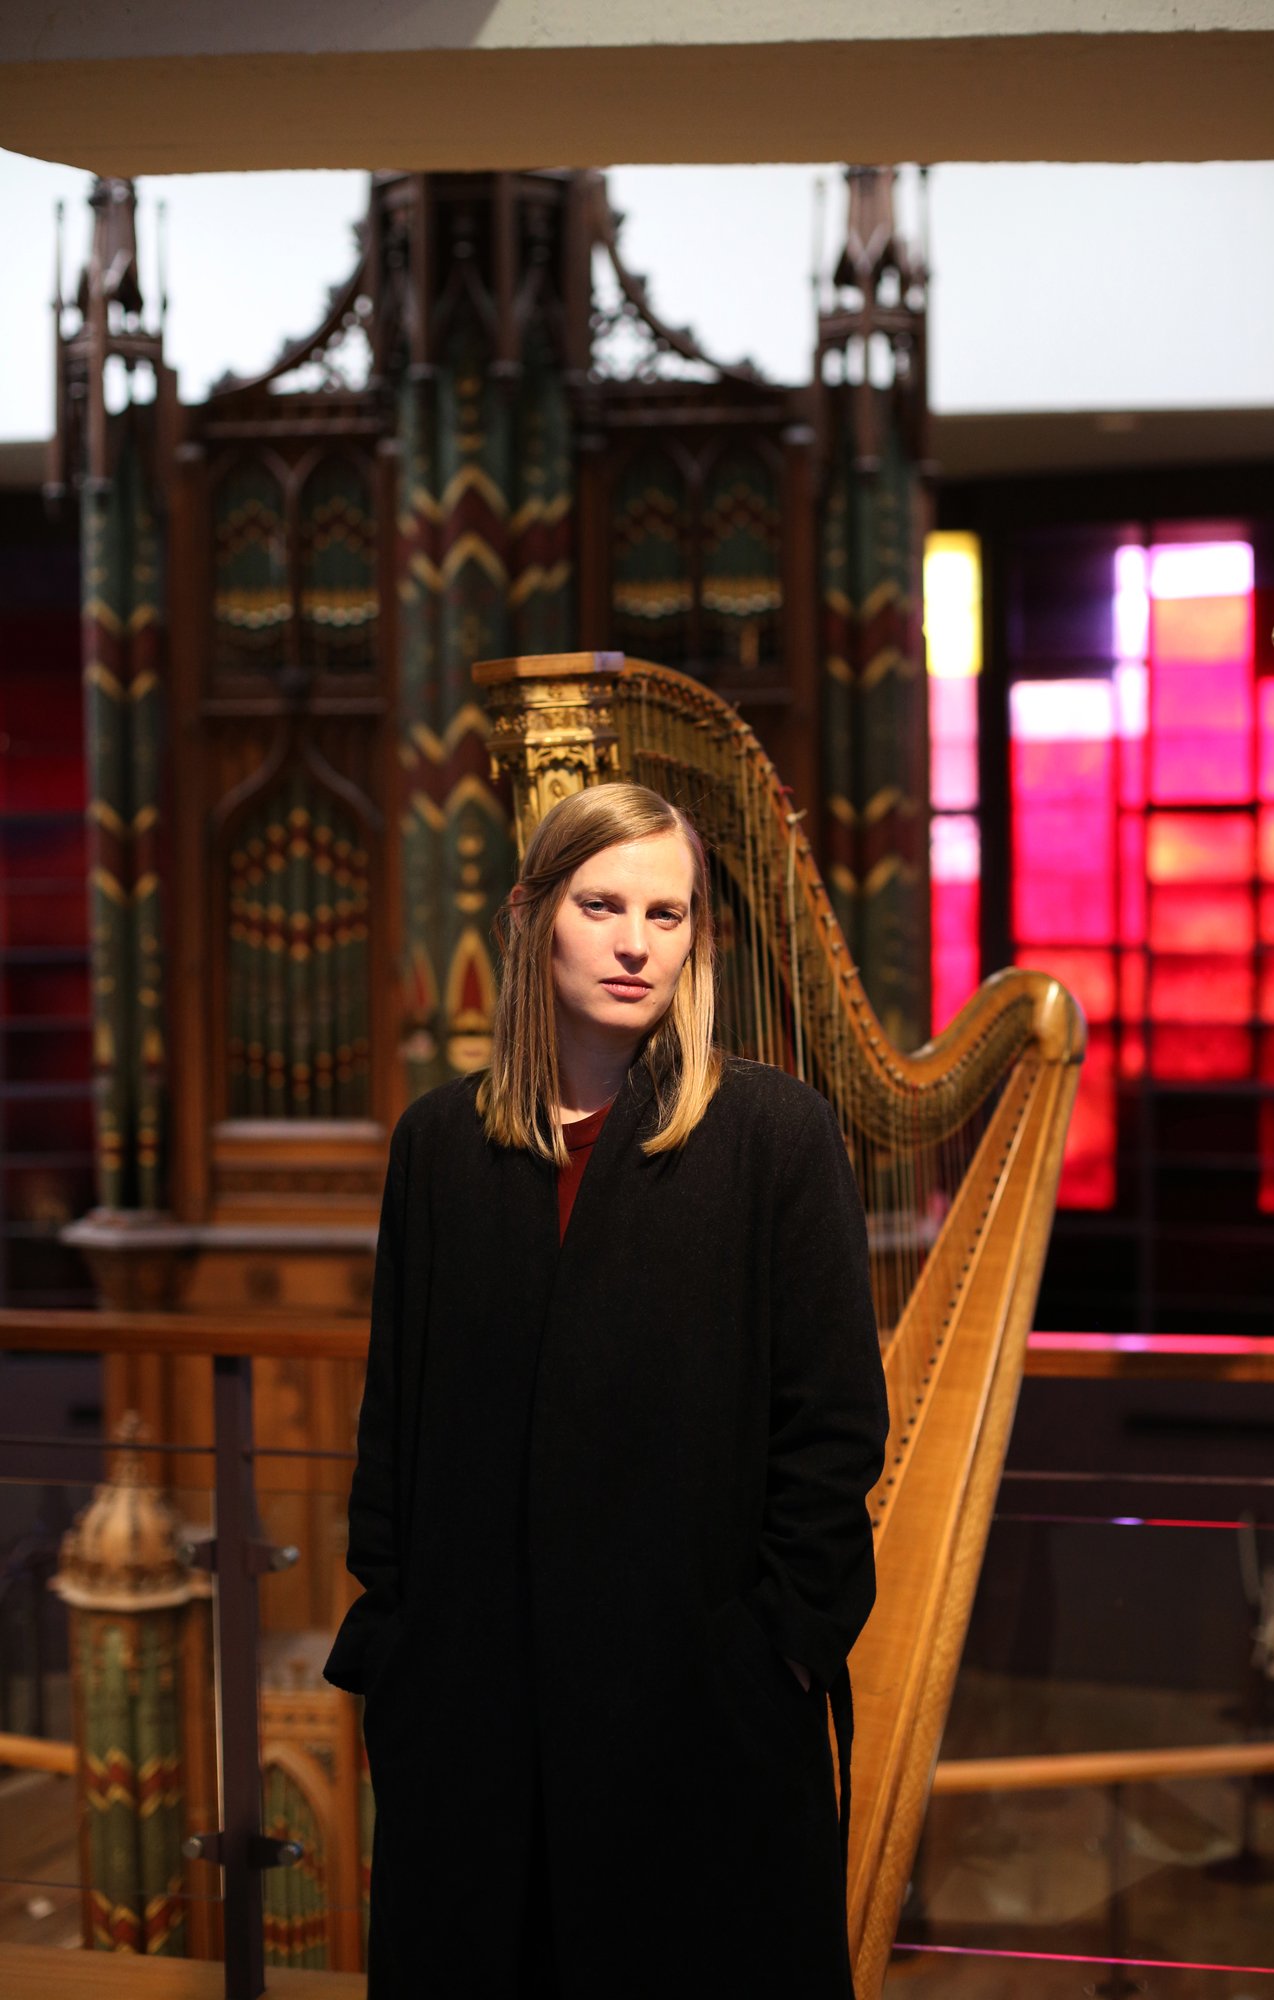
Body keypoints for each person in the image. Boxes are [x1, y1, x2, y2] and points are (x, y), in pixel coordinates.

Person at [325, 781, 889, 1999]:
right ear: (531, 915)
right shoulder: (438, 1144)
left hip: (698, 1722)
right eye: (601, 903)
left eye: (667, 912)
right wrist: (399, 1643)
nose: (637, 941)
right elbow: (395, 1423)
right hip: (477, 1723)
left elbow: (835, 1430)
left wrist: (775, 1653)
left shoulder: (773, 1137)